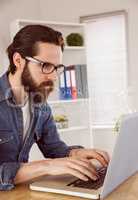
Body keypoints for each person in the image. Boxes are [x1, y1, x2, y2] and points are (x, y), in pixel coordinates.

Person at [0, 25, 110, 191]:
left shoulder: (39, 104)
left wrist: (74, 154)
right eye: (45, 65)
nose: (52, 76)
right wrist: (46, 166)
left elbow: (53, 148)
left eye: (57, 68)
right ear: (18, 60)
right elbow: (49, 162)